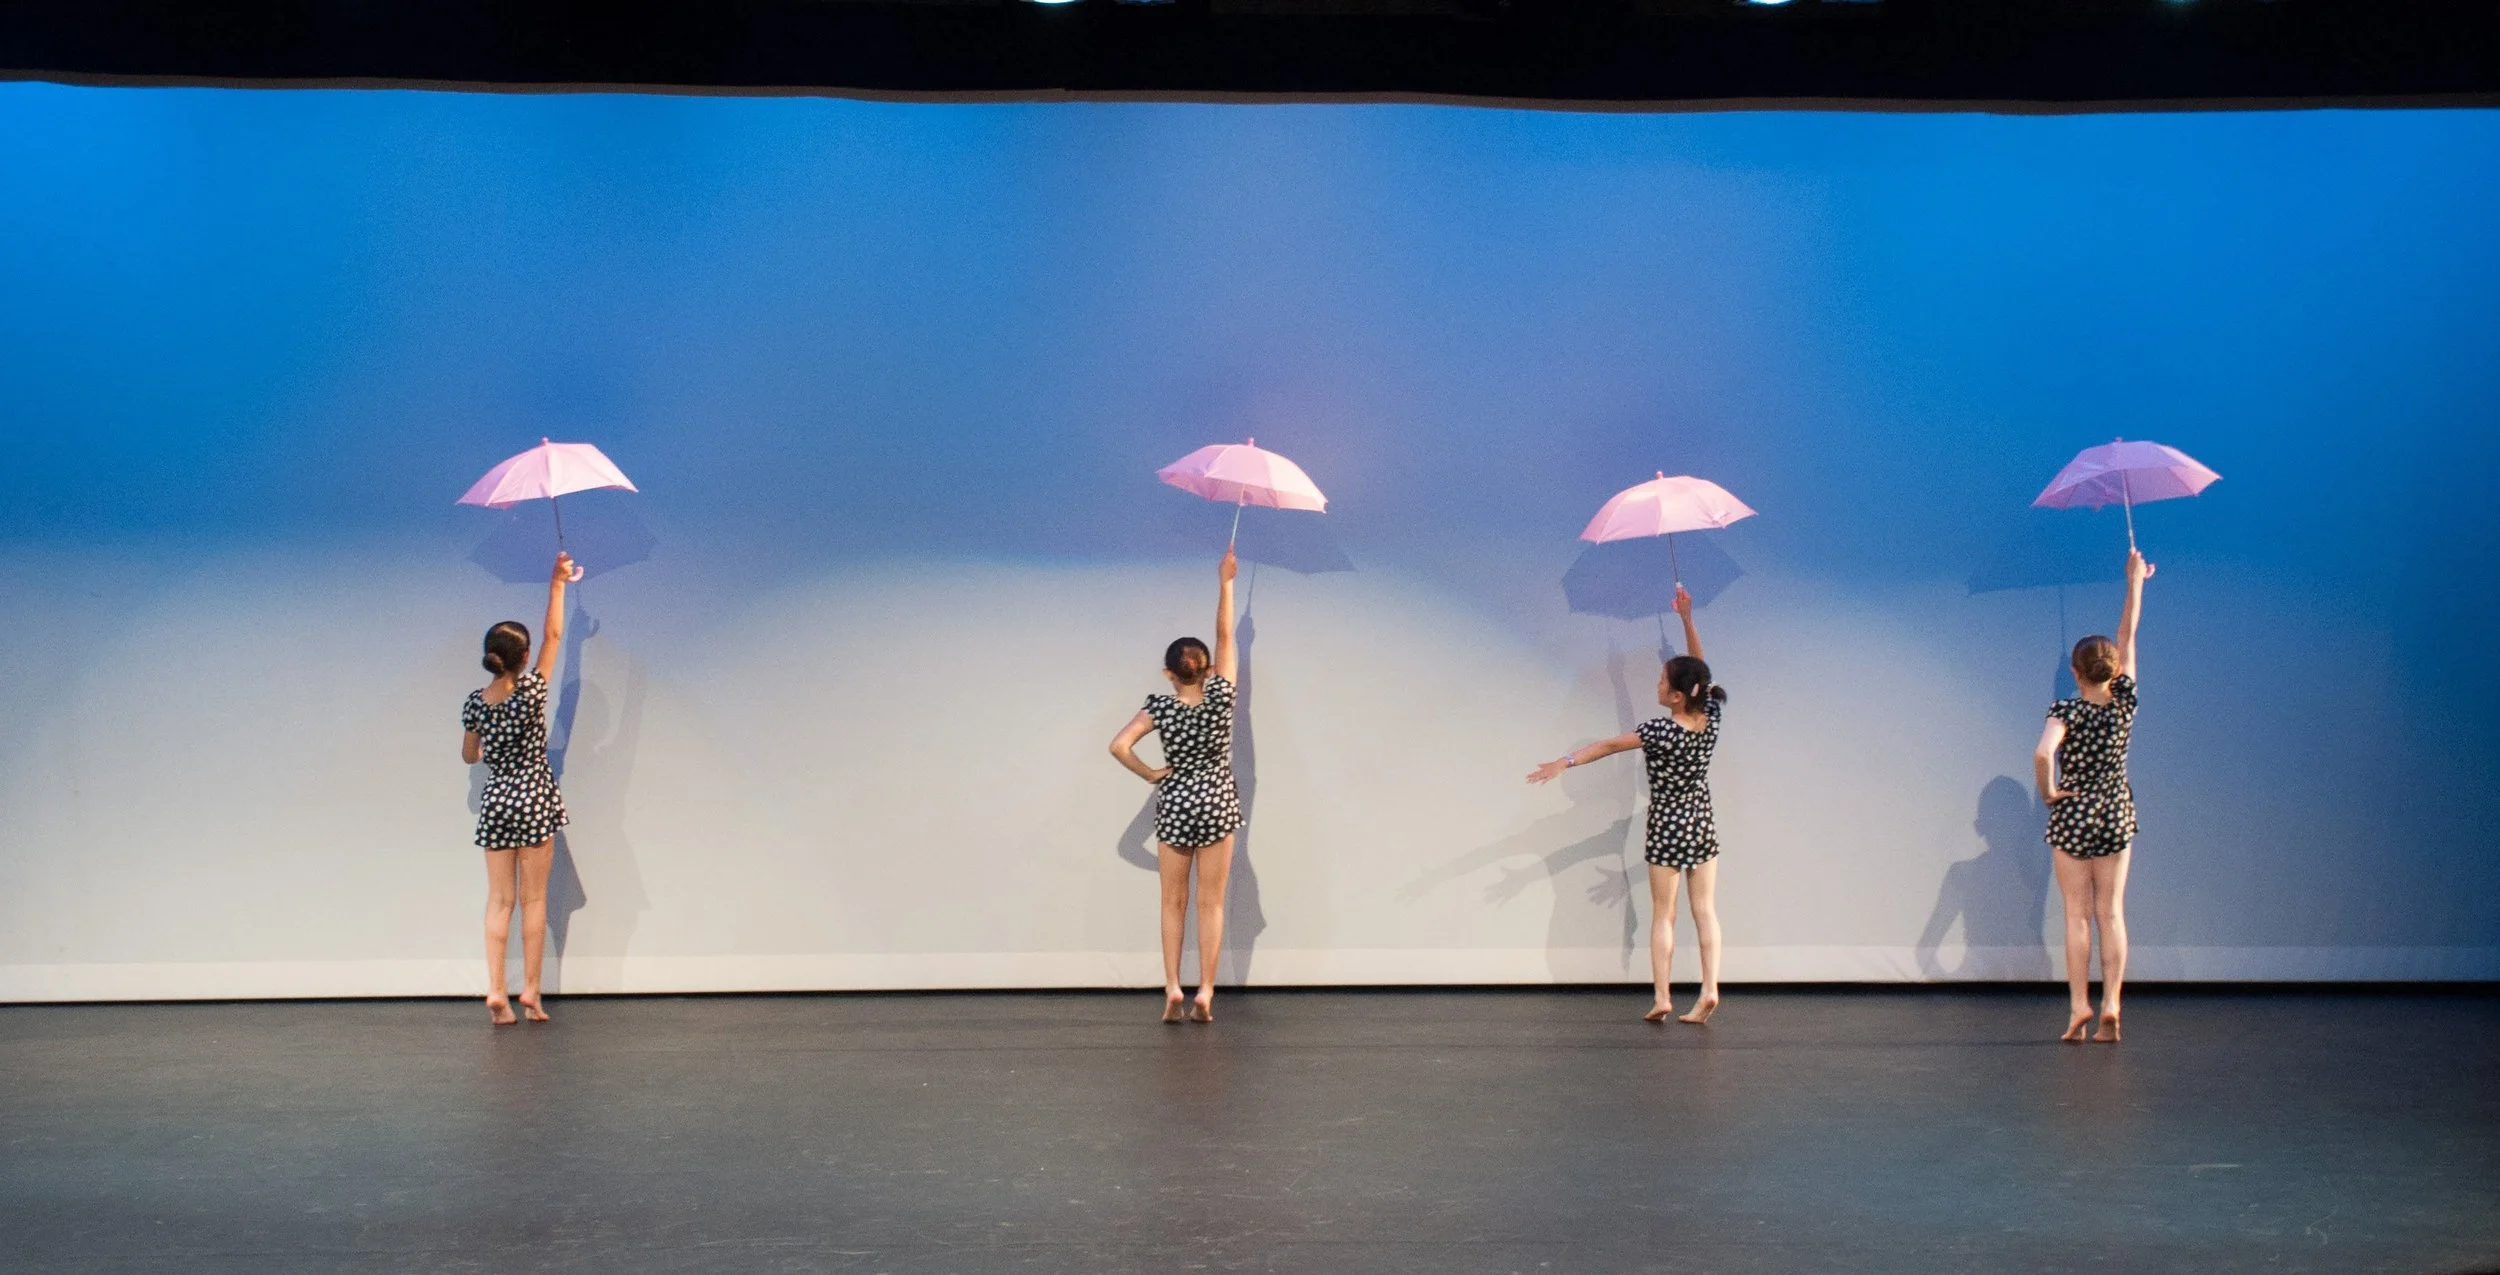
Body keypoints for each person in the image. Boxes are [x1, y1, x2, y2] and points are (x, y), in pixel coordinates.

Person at [1528, 585, 1726, 1024]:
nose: (1656, 684)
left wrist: (1565, 761)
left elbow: (1611, 744)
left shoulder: (1660, 731)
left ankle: (1663, 997)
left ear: (1677, 695)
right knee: (1704, 911)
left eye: (1661, 681)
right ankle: (1709, 988)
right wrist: (1687, 619)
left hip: (1666, 828)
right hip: (1702, 823)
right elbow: (1702, 674)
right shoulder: (1710, 717)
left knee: (1664, 916)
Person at [1108, 546, 1244, 1024]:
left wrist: (1150, 774)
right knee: (1211, 903)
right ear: (1206, 670)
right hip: (1217, 802)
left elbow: (1119, 745)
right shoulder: (1223, 695)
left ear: (1169, 673)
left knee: (1172, 902)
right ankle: (1205, 991)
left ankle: (1172, 987)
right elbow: (1225, 636)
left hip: (1177, 802)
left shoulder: (1161, 707)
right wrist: (1225, 581)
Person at [2034, 548, 2154, 1043]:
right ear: (2111, 672)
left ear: (2077, 673)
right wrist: (2135, 581)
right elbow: (2127, 636)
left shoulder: (2065, 709)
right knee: (2111, 912)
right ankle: (2113, 1005)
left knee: (2076, 915)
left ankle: (2080, 1005)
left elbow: (2043, 756)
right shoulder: (2124, 705)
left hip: (2074, 813)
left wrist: (2050, 793)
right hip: (2114, 813)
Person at [460, 551, 575, 1026]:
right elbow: (554, 635)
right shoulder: (531, 692)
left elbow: (469, 756)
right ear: (523, 659)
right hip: (533, 798)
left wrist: (492, 753)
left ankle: (494, 991)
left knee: (498, 901)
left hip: (497, 802)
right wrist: (557, 581)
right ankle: (530, 990)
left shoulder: (475, 702)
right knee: (534, 901)